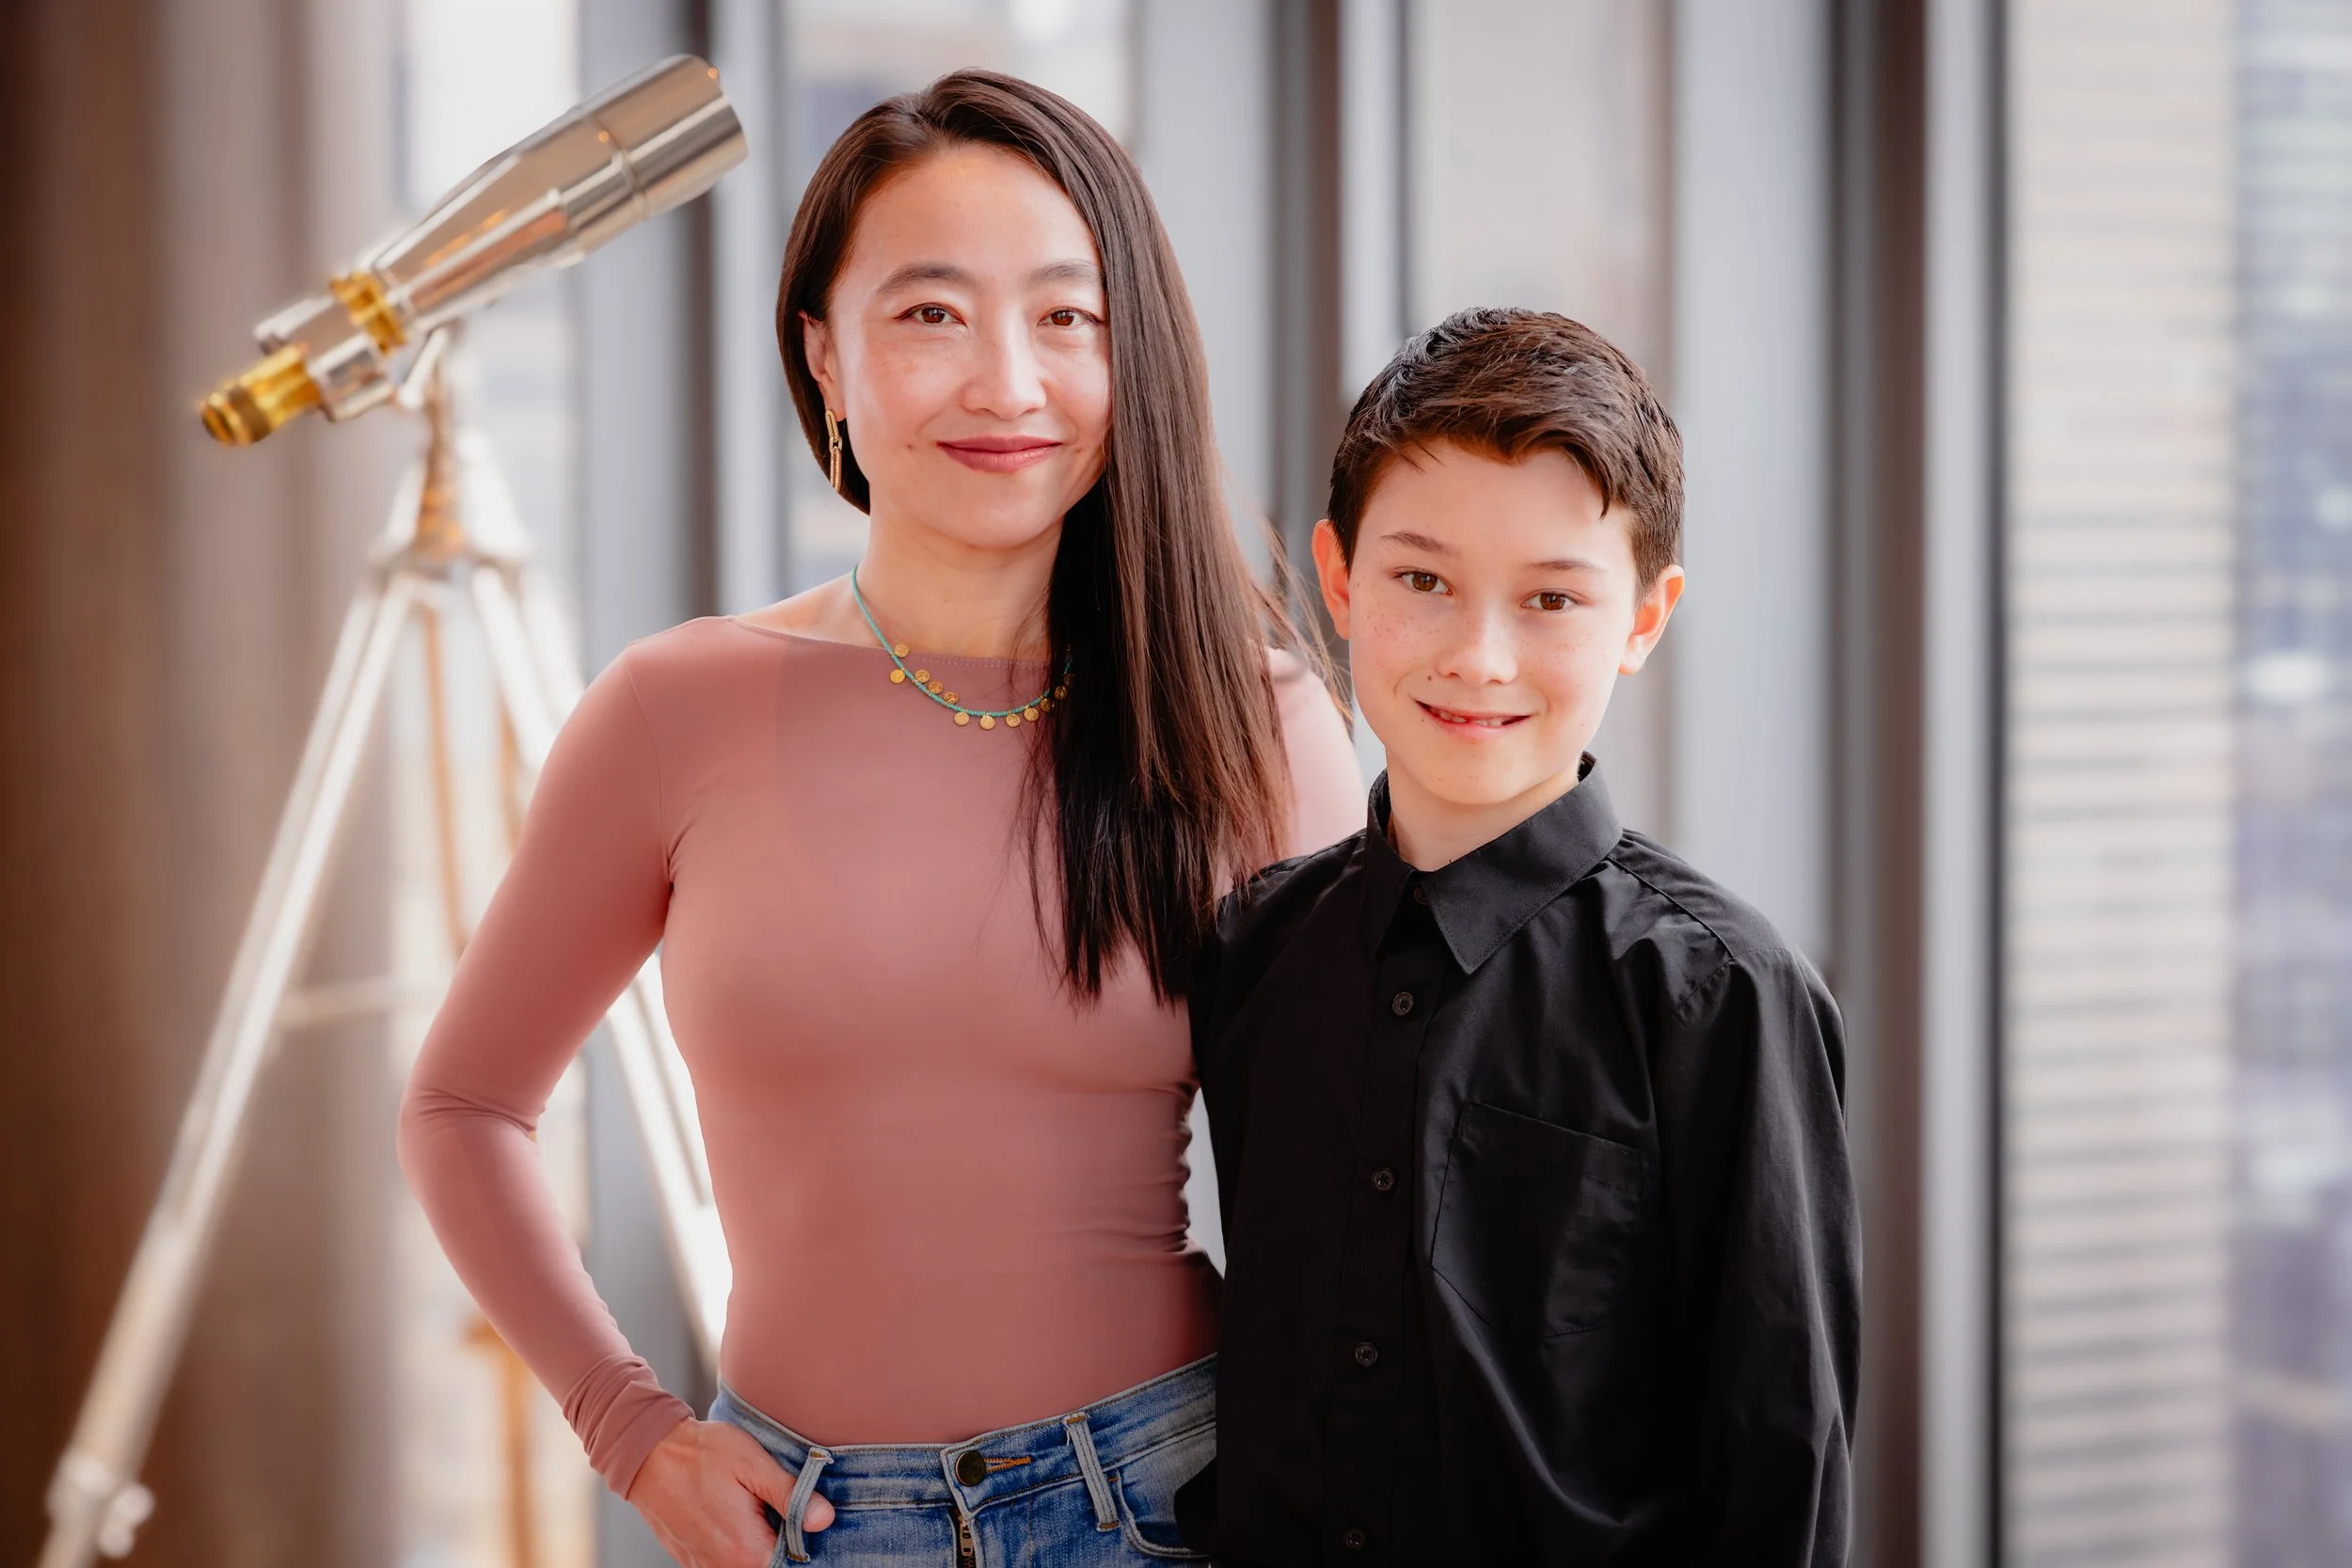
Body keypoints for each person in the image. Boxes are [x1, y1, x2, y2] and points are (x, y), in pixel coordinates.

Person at [397, 70, 1363, 1568]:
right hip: (809, 1520)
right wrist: (632, 1431)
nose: (1005, 382)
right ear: (823, 356)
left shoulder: (1257, 718)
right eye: (929, 314)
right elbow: (462, 1106)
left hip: (1169, 1498)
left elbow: (1362, 1177)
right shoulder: (673, 707)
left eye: (1066, 317)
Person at [1190, 308, 1861, 1564]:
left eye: (1552, 597)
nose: (1479, 656)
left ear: (1645, 620)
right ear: (1340, 582)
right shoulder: (1255, 948)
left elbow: (1781, 1464)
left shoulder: (1721, 994)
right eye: (1422, 580)